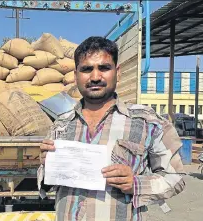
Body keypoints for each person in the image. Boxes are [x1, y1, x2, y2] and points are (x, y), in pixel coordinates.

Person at [38, 37, 185, 221]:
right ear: (76, 76)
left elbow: (176, 178)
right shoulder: (61, 125)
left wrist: (135, 184)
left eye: (104, 68)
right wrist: (47, 166)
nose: (95, 77)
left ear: (117, 72)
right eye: (86, 69)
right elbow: (47, 182)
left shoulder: (148, 122)